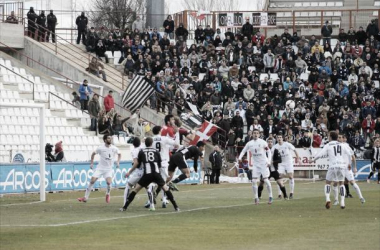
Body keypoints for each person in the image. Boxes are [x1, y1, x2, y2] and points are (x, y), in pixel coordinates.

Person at [121, 137, 180, 212]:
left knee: (135, 190)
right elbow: (159, 164)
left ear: (145, 143)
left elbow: (138, 164)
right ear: (152, 143)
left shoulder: (142, 151)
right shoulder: (156, 151)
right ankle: (176, 207)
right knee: (166, 188)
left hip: (147, 175)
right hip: (156, 174)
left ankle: (125, 207)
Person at [310, 131, 352, 209]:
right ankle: (342, 202)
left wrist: (313, 160)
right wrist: (349, 164)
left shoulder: (328, 145)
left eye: (329, 136)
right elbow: (350, 154)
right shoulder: (342, 145)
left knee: (328, 183)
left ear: (330, 137)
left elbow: (320, 154)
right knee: (341, 184)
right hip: (341, 165)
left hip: (332, 166)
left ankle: (328, 198)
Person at [78, 135, 121, 203]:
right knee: (92, 181)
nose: (110, 139)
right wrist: (91, 163)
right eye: (108, 138)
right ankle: (85, 198)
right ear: (105, 140)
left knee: (109, 182)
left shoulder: (114, 148)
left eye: (110, 138)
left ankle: (108, 194)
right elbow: (93, 154)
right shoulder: (101, 148)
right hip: (100, 168)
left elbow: (119, 154)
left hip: (108, 169)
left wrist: (118, 162)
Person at [238, 129, 273, 205]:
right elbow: (243, 151)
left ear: (259, 134)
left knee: (266, 180)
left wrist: (269, 161)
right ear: (252, 134)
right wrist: (240, 157)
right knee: (254, 181)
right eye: (254, 133)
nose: (256, 134)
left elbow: (269, 151)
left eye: (257, 133)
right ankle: (256, 198)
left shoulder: (263, 142)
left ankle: (270, 196)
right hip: (256, 165)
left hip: (264, 164)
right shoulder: (249, 143)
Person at [122, 137, 156, 211]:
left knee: (128, 185)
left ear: (133, 144)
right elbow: (145, 141)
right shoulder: (143, 147)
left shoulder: (134, 151)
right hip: (147, 171)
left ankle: (125, 204)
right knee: (148, 188)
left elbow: (136, 163)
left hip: (139, 172)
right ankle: (152, 205)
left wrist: (129, 172)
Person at [332, 134, 365, 205]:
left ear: (344, 139)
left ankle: (361, 197)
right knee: (335, 183)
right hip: (338, 167)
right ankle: (336, 200)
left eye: (341, 138)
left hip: (347, 168)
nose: (339, 139)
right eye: (338, 137)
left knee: (352, 182)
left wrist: (354, 166)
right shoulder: (334, 145)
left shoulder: (346, 146)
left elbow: (353, 156)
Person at [151, 126, 179, 208]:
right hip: (163, 162)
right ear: (160, 131)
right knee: (164, 182)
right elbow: (176, 144)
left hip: (154, 163)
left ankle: (151, 199)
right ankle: (163, 200)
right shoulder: (164, 138)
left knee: (153, 181)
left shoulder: (151, 139)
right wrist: (177, 134)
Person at [272, 133, 300, 199]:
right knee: (279, 178)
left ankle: (291, 193)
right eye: (278, 137)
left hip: (289, 162)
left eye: (280, 137)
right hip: (281, 163)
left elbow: (294, 150)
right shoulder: (275, 146)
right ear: (276, 139)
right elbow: (271, 154)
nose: (279, 138)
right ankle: (279, 194)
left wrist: (297, 157)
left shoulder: (287, 144)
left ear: (282, 138)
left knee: (291, 176)